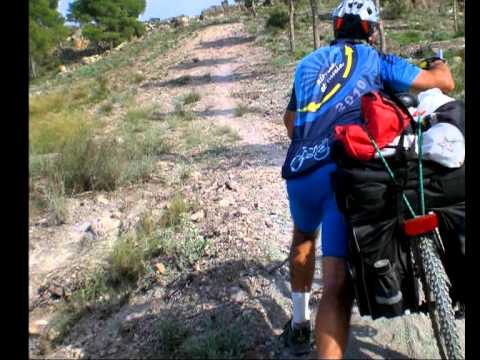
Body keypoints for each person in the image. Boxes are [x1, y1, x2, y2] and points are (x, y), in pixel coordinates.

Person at [280, 0, 455, 358]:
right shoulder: (378, 60)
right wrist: (438, 63)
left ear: (335, 28)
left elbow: (290, 122)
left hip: (299, 171)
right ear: (371, 31)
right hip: (339, 171)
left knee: (302, 237)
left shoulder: (307, 64)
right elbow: (444, 83)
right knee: (335, 284)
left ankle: (299, 325)